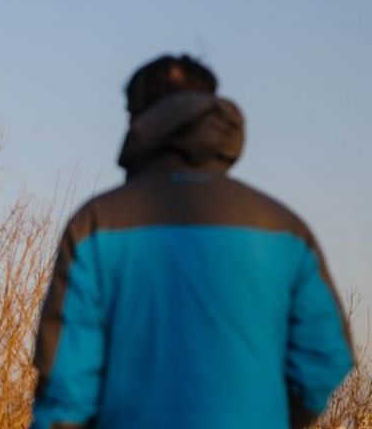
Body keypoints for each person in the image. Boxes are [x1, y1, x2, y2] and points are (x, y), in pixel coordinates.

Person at [31, 55, 354, 429]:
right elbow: (325, 354)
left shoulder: (98, 225)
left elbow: (67, 385)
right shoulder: (285, 229)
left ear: (141, 120)